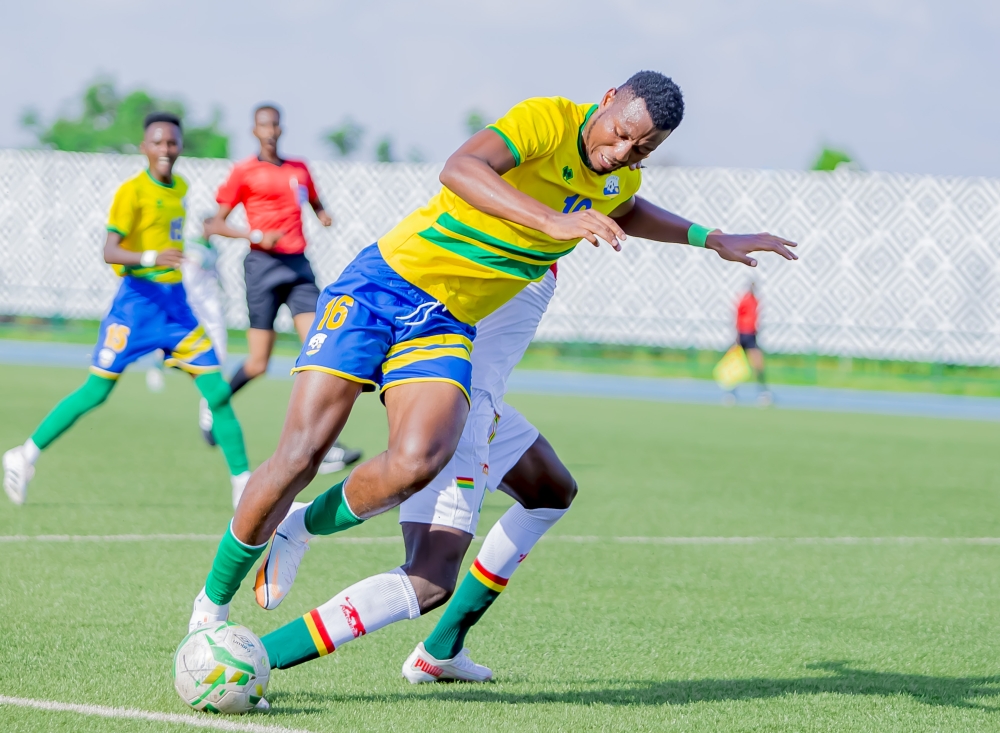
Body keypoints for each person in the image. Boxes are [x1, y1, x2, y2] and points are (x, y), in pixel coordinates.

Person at [188, 70, 798, 636]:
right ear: (607, 99)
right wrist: (553, 221)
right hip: (384, 285)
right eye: (620, 135)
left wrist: (709, 237)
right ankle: (208, 612)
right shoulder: (547, 120)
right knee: (300, 454)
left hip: (448, 321)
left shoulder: (619, 177)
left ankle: (299, 526)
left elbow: (628, 206)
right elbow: (460, 168)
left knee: (418, 459)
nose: (622, 153)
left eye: (643, 150)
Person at [254, 266, 567, 684]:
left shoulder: (564, 212)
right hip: (462, 405)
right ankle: (257, 657)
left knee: (550, 491)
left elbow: (622, 208)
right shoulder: (518, 214)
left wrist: (686, 233)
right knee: (430, 579)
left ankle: (441, 651)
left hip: (483, 402)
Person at [2, 113, 251, 508]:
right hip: (136, 308)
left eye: (172, 142)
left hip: (176, 310)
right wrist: (152, 255)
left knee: (217, 391)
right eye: (158, 143)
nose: (166, 150)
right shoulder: (131, 192)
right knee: (96, 391)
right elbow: (109, 251)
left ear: (180, 146)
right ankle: (24, 454)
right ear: (144, 148)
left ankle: (244, 484)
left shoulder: (181, 187)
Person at [202, 104, 361, 474]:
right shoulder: (244, 172)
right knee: (259, 363)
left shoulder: (299, 169)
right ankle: (214, 405)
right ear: (254, 131)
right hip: (262, 267)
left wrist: (322, 216)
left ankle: (324, 444)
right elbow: (214, 225)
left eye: (275, 125)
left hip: (298, 266)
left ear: (281, 129)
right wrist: (255, 234)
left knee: (321, 351)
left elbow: (315, 202)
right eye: (263, 126)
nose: (270, 131)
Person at [736, 282, 770, 405]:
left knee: (758, 364)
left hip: (751, 334)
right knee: (738, 363)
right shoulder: (745, 300)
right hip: (744, 334)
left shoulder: (755, 301)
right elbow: (738, 315)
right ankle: (732, 391)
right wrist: (737, 333)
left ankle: (762, 391)